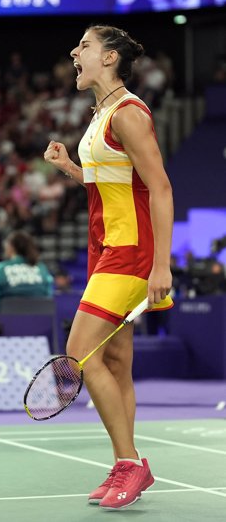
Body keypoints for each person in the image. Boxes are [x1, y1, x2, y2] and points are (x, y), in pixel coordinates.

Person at [44, 25, 174, 510]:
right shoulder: (100, 114)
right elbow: (113, 187)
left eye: (85, 46)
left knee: (77, 355)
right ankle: (127, 464)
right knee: (115, 363)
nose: (75, 52)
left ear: (111, 57)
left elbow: (160, 188)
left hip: (132, 253)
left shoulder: (129, 113)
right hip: (106, 250)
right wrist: (70, 170)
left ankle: (130, 463)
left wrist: (161, 265)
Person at [0, 230, 54, 313]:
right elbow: (49, 299)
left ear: (11, 247)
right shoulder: (41, 268)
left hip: (8, 322)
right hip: (40, 322)